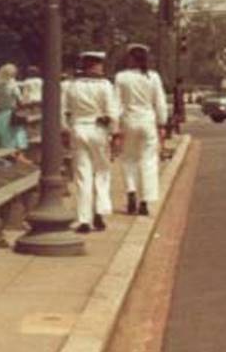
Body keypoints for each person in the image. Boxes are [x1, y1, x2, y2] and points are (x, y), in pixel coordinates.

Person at [63, 51, 121, 234]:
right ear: (97, 66)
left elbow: (63, 111)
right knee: (102, 172)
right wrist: (115, 133)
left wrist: (65, 130)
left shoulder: (71, 85)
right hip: (98, 130)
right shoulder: (105, 86)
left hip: (78, 128)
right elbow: (112, 112)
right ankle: (99, 212)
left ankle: (84, 219)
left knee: (82, 175)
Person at [115, 43, 168, 217]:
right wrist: (162, 123)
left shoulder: (121, 77)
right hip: (147, 121)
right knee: (148, 161)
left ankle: (131, 191)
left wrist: (115, 127)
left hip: (129, 120)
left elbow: (117, 104)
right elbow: (160, 102)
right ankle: (145, 200)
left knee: (128, 158)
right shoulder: (153, 77)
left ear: (130, 58)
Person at [0, 63, 32, 164]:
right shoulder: (13, 86)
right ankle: (18, 157)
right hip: (11, 113)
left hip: (0, 113)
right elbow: (20, 101)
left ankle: (4, 157)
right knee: (16, 136)